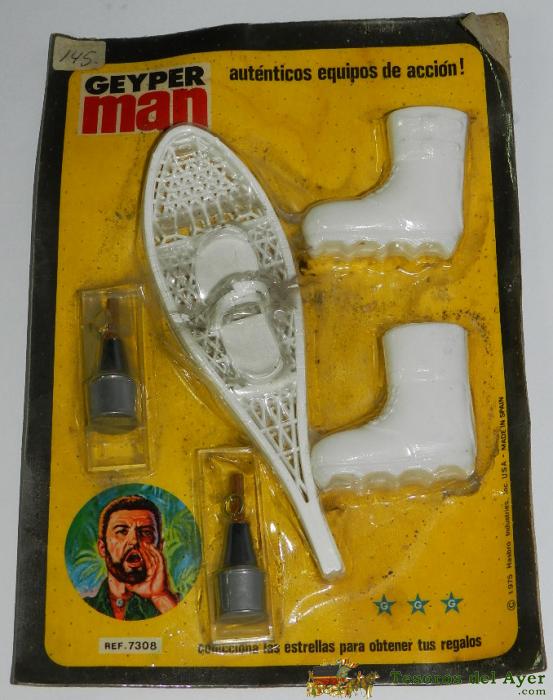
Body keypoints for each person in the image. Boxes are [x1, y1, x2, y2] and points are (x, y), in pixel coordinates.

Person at [84, 494, 178, 620]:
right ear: (102, 547)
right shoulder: (83, 607)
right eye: (122, 531)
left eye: (146, 532)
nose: (134, 541)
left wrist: (160, 596)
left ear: (159, 547)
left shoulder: (174, 603)